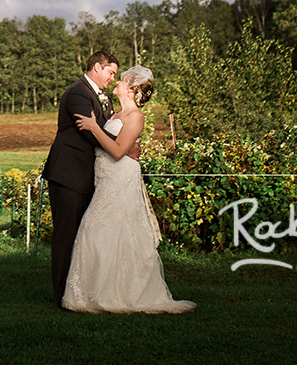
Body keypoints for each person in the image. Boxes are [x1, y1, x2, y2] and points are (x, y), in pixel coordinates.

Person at [62, 67, 195, 313]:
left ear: (133, 91)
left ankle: (121, 292)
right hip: (105, 177)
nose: (118, 83)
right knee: (98, 231)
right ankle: (93, 293)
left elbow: (116, 150)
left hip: (120, 178)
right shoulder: (116, 113)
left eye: (123, 81)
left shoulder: (135, 116)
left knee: (111, 230)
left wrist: (93, 128)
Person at [43, 51, 119, 307]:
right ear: (97, 67)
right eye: (111, 73)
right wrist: (121, 145)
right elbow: (89, 132)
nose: (111, 79)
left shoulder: (102, 97)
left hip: (87, 175)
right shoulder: (77, 93)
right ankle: (62, 294)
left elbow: (102, 127)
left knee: (82, 235)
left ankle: (79, 289)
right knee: (66, 234)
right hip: (69, 174)